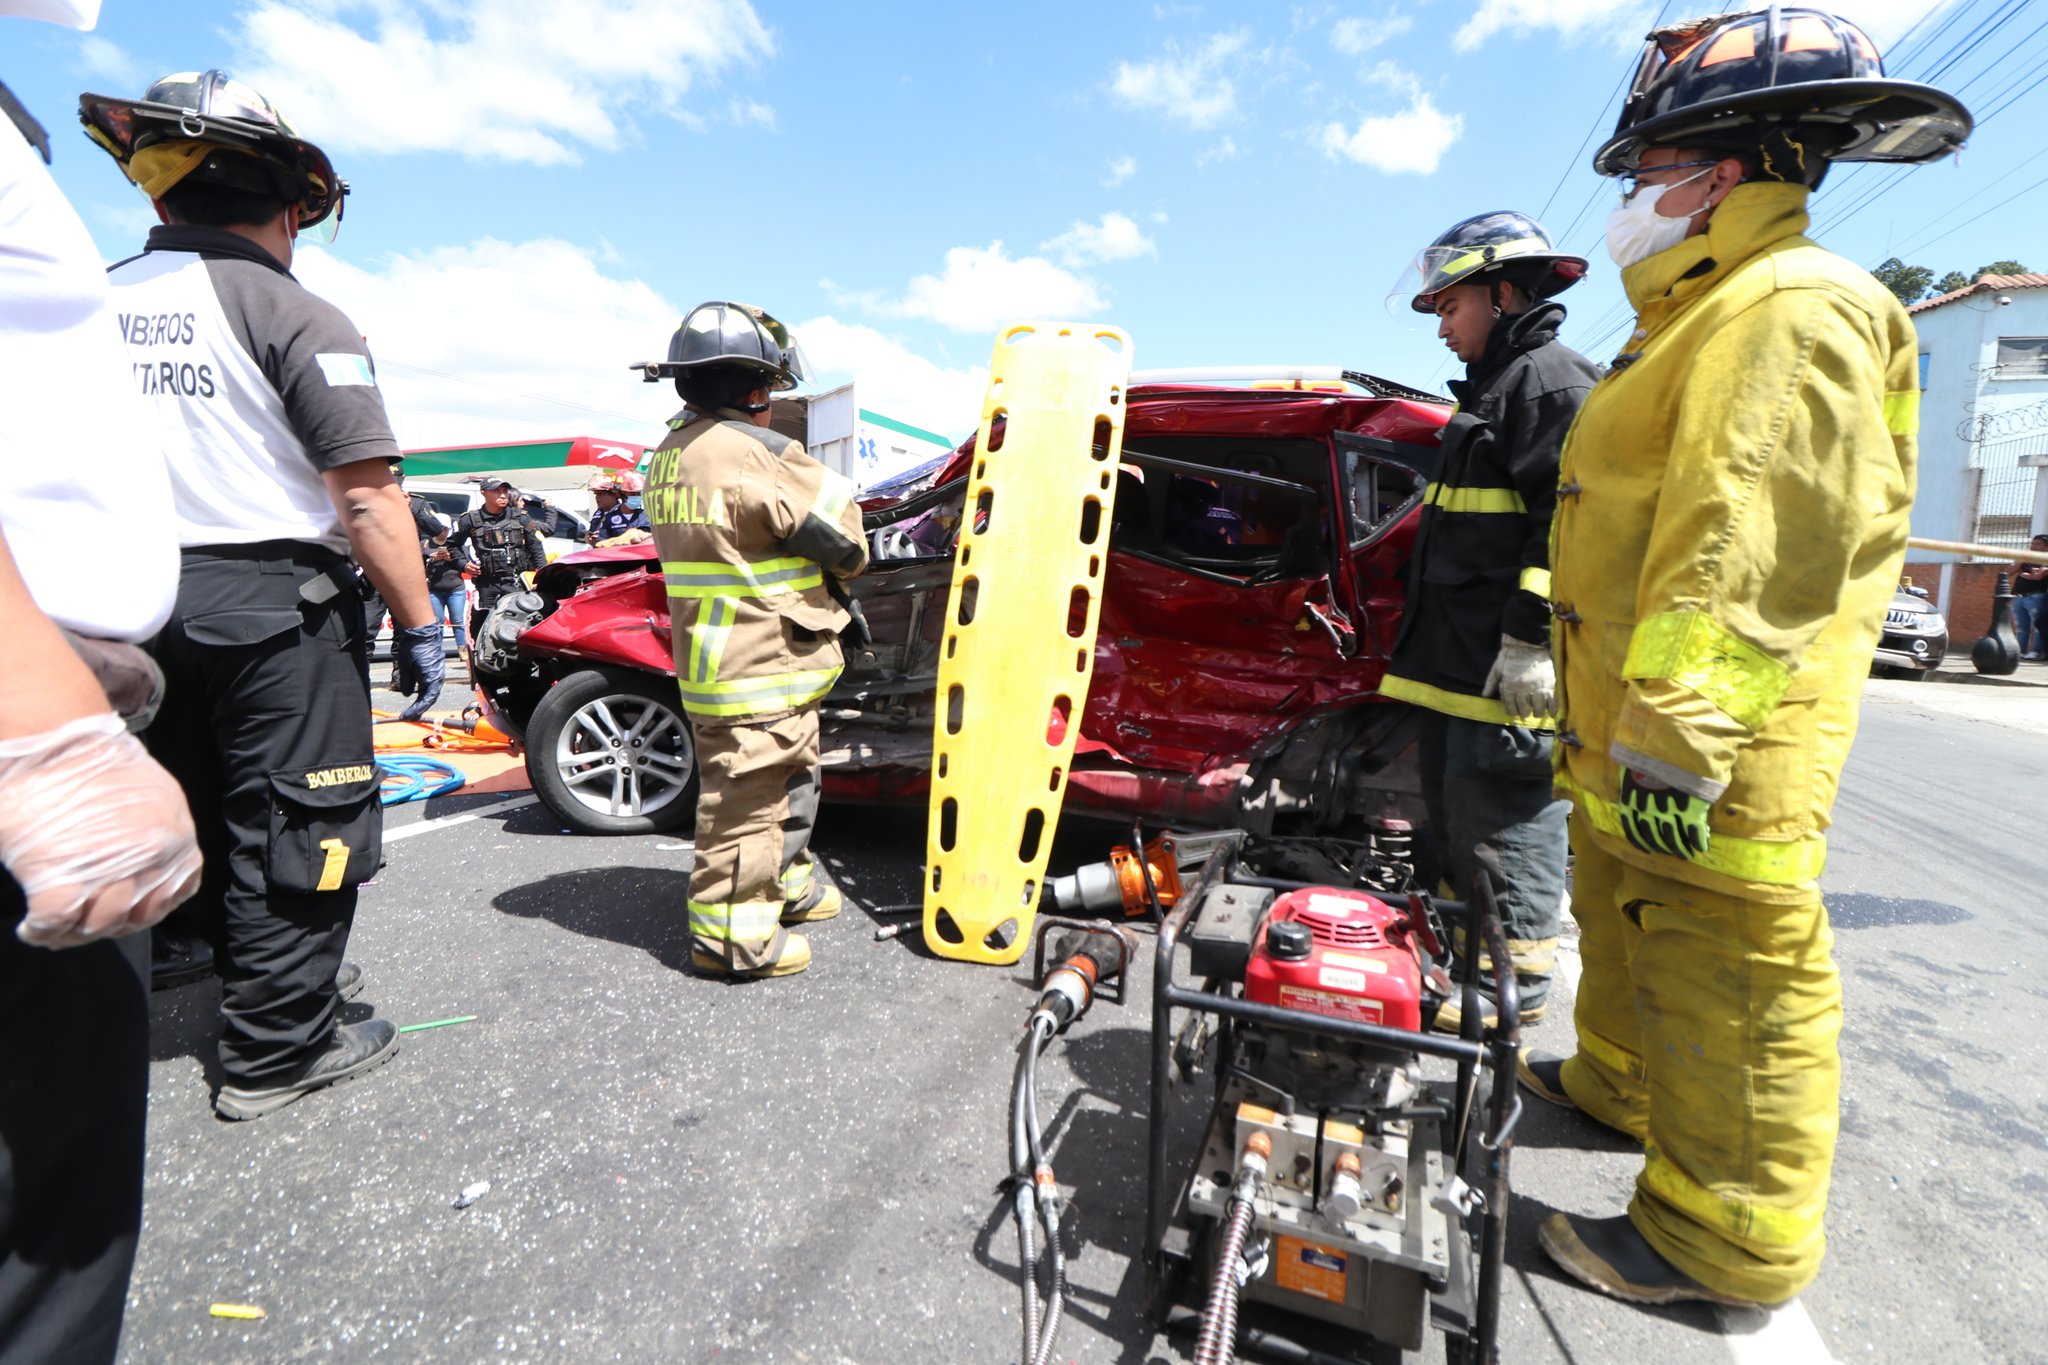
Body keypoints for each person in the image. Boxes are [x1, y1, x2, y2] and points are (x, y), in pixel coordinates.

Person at [1530, 7, 1970, 1309]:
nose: (1634, 202)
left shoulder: (1789, 309)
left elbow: (1752, 543)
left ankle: (1715, 1243)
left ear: (1717, 175)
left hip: (1713, 745)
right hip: (1641, 730)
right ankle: (1617, 1083)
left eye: (1646, 175)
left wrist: (1677, 739)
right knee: (1624, 919)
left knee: (1728, 970)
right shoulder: (1701, 315)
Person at [82, 67, 448, 1119]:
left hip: (121, 613)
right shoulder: (300, 314)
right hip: (273, 613)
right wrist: (419, 626)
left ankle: (184, 956)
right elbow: (369, 498)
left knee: (178, 802)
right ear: (293, 206)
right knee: (298, 823)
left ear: (157, 194)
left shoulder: (84, 304)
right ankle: (277, 1048)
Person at [0, 16, 204, 1357]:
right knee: (45, 1253)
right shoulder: (298, 316)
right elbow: (364, 489)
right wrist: (38, 723)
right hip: (34, 737)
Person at [1381, 211, 1597, 1033]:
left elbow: (1564, 530)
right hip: (1460, 669)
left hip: (1502, 670)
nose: (1441, 326)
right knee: (1460, 824)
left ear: (1504, 294)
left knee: (1508, 821)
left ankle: (1512, 987)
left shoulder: (1549, 385)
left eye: (1450, 307)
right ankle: (1461, 961)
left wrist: (1529, 639)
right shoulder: (1502, 389)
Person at [635, 301, 868, 979]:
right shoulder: (761, 455)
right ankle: (732, 941)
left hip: (719, 660)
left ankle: (785, 887)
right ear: (759, 389)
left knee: (786, 779)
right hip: (763, 660)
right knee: (746, 803)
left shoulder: (669, 456)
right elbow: (848, 543)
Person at [445, 476, 546, 642]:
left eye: (505, 491)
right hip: (487, 583)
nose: (503, 495)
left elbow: (536, 547)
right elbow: (452, 545)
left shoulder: (520, 517)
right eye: (496, 491)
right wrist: (464, 565)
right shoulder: (470, 519)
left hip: (516, 581)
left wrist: (541, 576)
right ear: (483, 493)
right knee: (482, 626)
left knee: (520, 626)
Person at [586, 470, 652, 545]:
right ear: (620, 494)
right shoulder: (609, 518)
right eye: (632, 494)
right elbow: (601, 543)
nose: (636, 497)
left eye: (638, 494)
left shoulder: (647, 516)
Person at [2012, 534, 2048, 660]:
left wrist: (2024, 574)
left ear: (2046, 546)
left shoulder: (2045, 559)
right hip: (2018, 596)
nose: (2034, 546)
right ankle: (2020, 651)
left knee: (2037, 625)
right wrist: (2021, 560)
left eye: (2038, 544)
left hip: (2036, 596)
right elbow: (2007, 572)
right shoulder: (2026, 558)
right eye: (2033, 543)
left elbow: (2039, 577)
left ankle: (2035, 651)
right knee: (2021, 626)